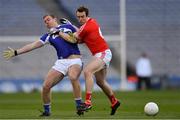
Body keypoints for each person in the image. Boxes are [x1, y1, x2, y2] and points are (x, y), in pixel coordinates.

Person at [3, 15, 86, 116]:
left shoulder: (67, 27)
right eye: (45, 21)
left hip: (75, 59)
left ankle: (79, 105)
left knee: (73, 77)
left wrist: (71, 24)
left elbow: (82, 35)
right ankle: (47, 111)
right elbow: (33, 45)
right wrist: (16, 52)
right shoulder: (48, 35)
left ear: (55, 19)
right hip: (61, 62)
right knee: (46, 86)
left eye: (48, 19)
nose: (47, 22)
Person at [56, 6, 120, 115]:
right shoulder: (88, 24)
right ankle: (114, 101)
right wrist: (71, 27)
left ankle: (88, 102)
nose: (80, 19)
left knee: (87, 71)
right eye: (78, 17)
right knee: (100, 81)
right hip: (100, 54)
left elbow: (73, 39)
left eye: (82, 16)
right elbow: (80, 39)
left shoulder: (88, 25)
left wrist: (60, 33)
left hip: (103, 53)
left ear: (87, 15)